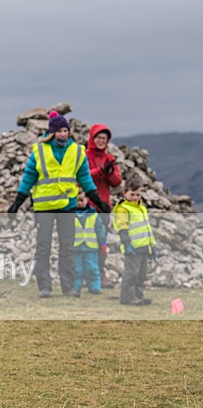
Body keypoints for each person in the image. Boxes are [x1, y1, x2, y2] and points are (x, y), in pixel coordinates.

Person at [8, 111, 111, 298]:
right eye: (59, 131)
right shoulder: (39, 150)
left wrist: (98, 201)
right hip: (43, 207)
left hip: (67, 205)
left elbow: (85, 179)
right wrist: (17, 202)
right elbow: (29, 177)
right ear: (52, 132)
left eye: (65, 130)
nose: (63, 134)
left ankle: (68, 287)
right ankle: (44, 287)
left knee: (67, 247)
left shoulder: (77, 151)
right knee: (43, 247)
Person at [86, 124, 122, 289]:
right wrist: (101, 170)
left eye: (104, 138)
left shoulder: (109, 158)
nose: (101, 141)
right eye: (98, 138)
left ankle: (100, 274)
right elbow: (83, 177)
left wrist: (108, 172)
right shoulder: (84, 156)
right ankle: (88, 275)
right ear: (92, 139)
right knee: (86, 242)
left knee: (102, 243)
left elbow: (116, 182)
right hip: (87, 206)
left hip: (104, 207)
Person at [113, 177, 156, 305]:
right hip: (132, 248)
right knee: (131, 273)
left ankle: (138, 296)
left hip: (144, 247)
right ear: (124, 193)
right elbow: (122, 228)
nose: (135, 197)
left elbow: (147, 229)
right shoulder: (123, 209)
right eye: (132, 194)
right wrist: (127, 244)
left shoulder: (142, 208)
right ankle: (128, 297)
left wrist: (152, 245)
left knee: (141, 274)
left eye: (138, 194)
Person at [73, 190, 106, 295]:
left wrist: (103, 244)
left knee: (92, 268)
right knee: (76, 269)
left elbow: (100, 230)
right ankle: (75, 288)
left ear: (87, 200)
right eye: (77, 200)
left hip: (91, 247)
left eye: (82, 200)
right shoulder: (70, 214)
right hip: (76, 247)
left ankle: (95, 287)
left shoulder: (94, 215)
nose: (79, 203)